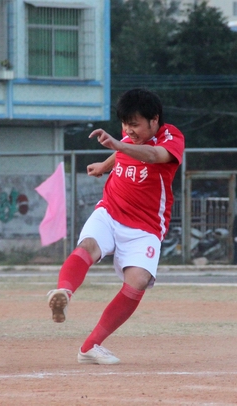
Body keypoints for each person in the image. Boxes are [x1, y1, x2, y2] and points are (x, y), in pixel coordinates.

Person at [47, 88, 185, 364]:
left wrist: (118, 146)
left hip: (146, 227)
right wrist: (105, 165)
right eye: (124, 124)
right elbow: (125, 145)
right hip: (110, 211)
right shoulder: (131, 137)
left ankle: (90, 347)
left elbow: (152, 155)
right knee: (88, 246)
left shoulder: (171, 137)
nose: (128, 130)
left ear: (154, 120)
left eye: (134, 124)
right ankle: (63, 292)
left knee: (138, 282)